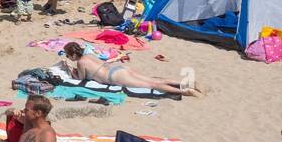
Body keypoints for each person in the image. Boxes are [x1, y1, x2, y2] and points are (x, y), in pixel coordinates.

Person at [61, 42, 202, 96]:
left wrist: (69, 70)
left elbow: (81, 78)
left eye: (68, 56)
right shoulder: (89, 54)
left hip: (114, 78)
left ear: (73, 54)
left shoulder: (81, 62)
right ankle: (189, 83)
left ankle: (185, 91)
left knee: (153, 85)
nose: (69, 58)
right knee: (154, 80)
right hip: (119, 69)